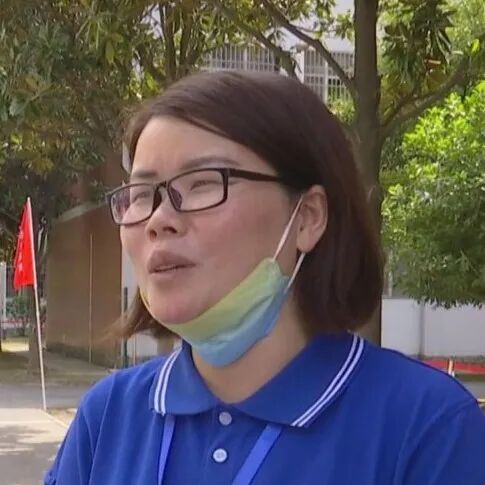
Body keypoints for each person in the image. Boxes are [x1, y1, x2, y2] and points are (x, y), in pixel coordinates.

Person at [45, 71, 485, 485]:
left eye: (203, 183)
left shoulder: (428, 427)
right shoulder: (108, 416)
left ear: (307, 217)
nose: (159, 219)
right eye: (142, 194)